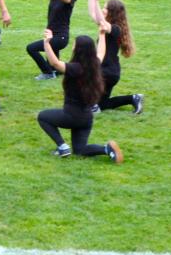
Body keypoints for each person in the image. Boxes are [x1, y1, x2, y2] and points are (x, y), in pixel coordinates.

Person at [37, 26, 124, 163]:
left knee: (43, 117)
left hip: (71, 116)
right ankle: (107, 149)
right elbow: (101, 52)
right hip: (86, 118)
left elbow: (55, 63)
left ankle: (62, 146)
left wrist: (47, 43)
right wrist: (101, 35)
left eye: (74, 44)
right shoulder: (95, 65)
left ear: (78, 50)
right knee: (79, 150)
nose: (72, 46)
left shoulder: (76, 68)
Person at [87, 0, 143, 114]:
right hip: (110, 71)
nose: (102, 9)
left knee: (84, 77)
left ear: (112, 12)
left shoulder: (115, 29)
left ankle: (92, 105)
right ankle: (134, 98)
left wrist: (96, 0)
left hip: (106, 71)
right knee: (104, 104)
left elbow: (102, 23)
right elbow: (93, 14)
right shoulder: (111, 26)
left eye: (105, 8)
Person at [25, 0, 76, 80]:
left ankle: (47, 73)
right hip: (51, 35)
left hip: (60, 37)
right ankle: (57, 71)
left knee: (31, 48)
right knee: (55, 66)